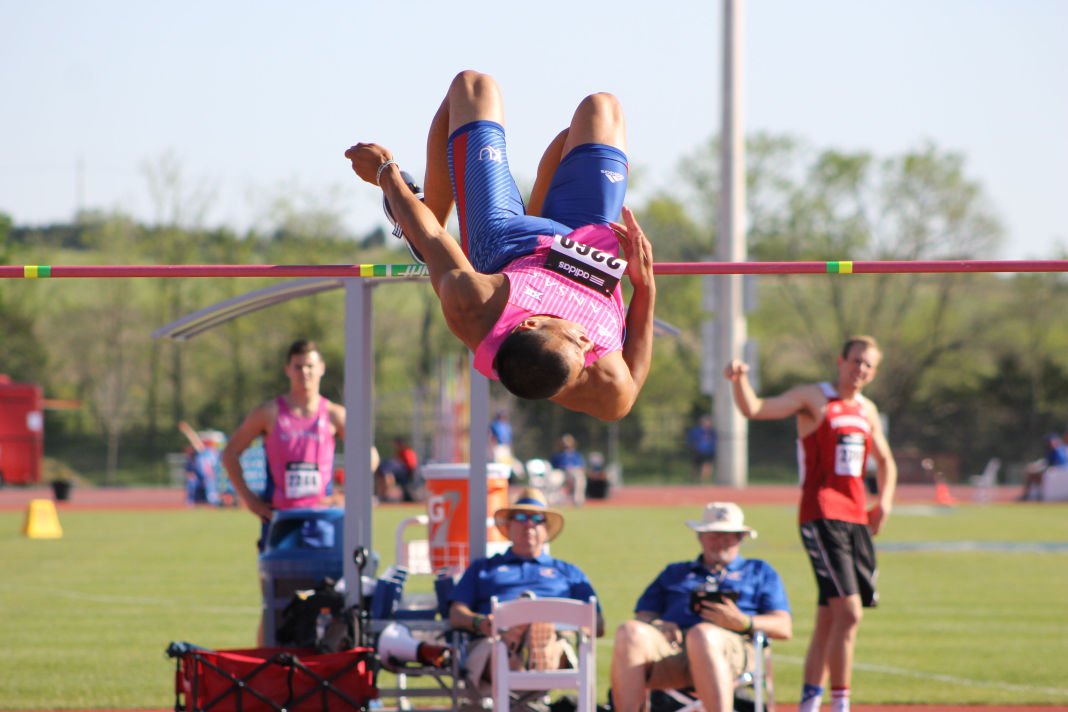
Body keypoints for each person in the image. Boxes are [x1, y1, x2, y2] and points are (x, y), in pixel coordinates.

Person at [345, 70, 656, 421]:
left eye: (573, 339)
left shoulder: (476, 304)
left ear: (530, 323)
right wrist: (645, 287)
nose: (587, 342)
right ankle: (545, 204)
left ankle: (432, 206)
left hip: (507, 240)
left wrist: (386, 172)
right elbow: (633, 379)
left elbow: (433, 235)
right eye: (584, 353)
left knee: (473, 86)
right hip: (586, 247)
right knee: (602, 109)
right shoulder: (606, 386)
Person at [724, 335, 897, 712]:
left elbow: (886, 461)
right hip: (822, 513)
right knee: (849, 612)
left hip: (855, 518)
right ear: (841, 360)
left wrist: (882, 502)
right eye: (856, 361)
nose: (861, 370)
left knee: (829, 617)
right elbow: (755, 409)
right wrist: (739, 381)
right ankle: (840, 703)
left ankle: (809, 704)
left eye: (868, 365)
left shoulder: (867, 410)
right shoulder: (814, 397)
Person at [610, 502, 792, 712]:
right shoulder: (675, 572)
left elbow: (783, 626)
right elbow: (643, 615)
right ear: (700, 536)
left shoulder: (759, 571)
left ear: (740, 537)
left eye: (727, 535)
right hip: (674, 649)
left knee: (703, 635)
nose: (720, 542)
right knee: (628, 631)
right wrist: (657, 624)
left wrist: (743, 621)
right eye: (713, 534)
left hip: (733, 647)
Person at [447, 487, 605, 689]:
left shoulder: (568, 572)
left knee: (541, 633)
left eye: (537, 518)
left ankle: (533, 642)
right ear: (509, 525)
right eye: (521, 517)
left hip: (553, 642)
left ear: (546, 528)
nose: (529, 524)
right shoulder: (483, 568)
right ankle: (525, 649)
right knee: (502, 646)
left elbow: (597, 624)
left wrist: (561, 624)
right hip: (493, 641)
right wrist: (481, 623)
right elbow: (456, 613)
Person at [221, 339, 347, 551]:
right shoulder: (268, 412)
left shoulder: (334, 414)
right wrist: (250, 500)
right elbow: (230, 453)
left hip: (322, 519)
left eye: (310, 366)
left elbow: (370, 455)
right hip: (280, 519)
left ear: (321, 369)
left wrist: (345, 493)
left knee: (326, 583)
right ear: (288, 370)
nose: (304, 372)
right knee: (280, 581)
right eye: (298, 366)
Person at [178, 421, 222, 507]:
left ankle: (214, 501)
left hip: (212, 477)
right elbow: (195, 439)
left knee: (211, 483)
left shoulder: (215, 452)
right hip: (201, 476)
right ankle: (191, 501)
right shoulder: (204, 451)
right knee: (193, 481)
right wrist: (187, 430)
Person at [1018, 433, 1068, 501]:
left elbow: (1058, 464)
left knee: (1036, 475)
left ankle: (1037, 494)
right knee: (1031, 474)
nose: (1049, 444)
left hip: (1059, 471)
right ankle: (1032, 494)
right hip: (1054, 470)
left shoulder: (1058, 450)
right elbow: (1048, 462)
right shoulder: (1051, 451)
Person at [550, 434, 587, 506]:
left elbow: (581, 467)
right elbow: (553, 466)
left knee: (579, 477)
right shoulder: (557, 455)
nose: (566, 445)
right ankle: (552, 499)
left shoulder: (577, 455)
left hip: (574, 473)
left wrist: (573, 469)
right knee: (554, 478)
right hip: (561, 472)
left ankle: (578, 500)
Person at [686, 415, 717, 483]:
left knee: (707, 465)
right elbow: (691, 439)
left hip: (709, 451)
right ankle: (693, 480)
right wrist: (693, 446)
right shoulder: (696, 430)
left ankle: (703, 481)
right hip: (698, 451)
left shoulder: (711, 431)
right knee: (695, 466)